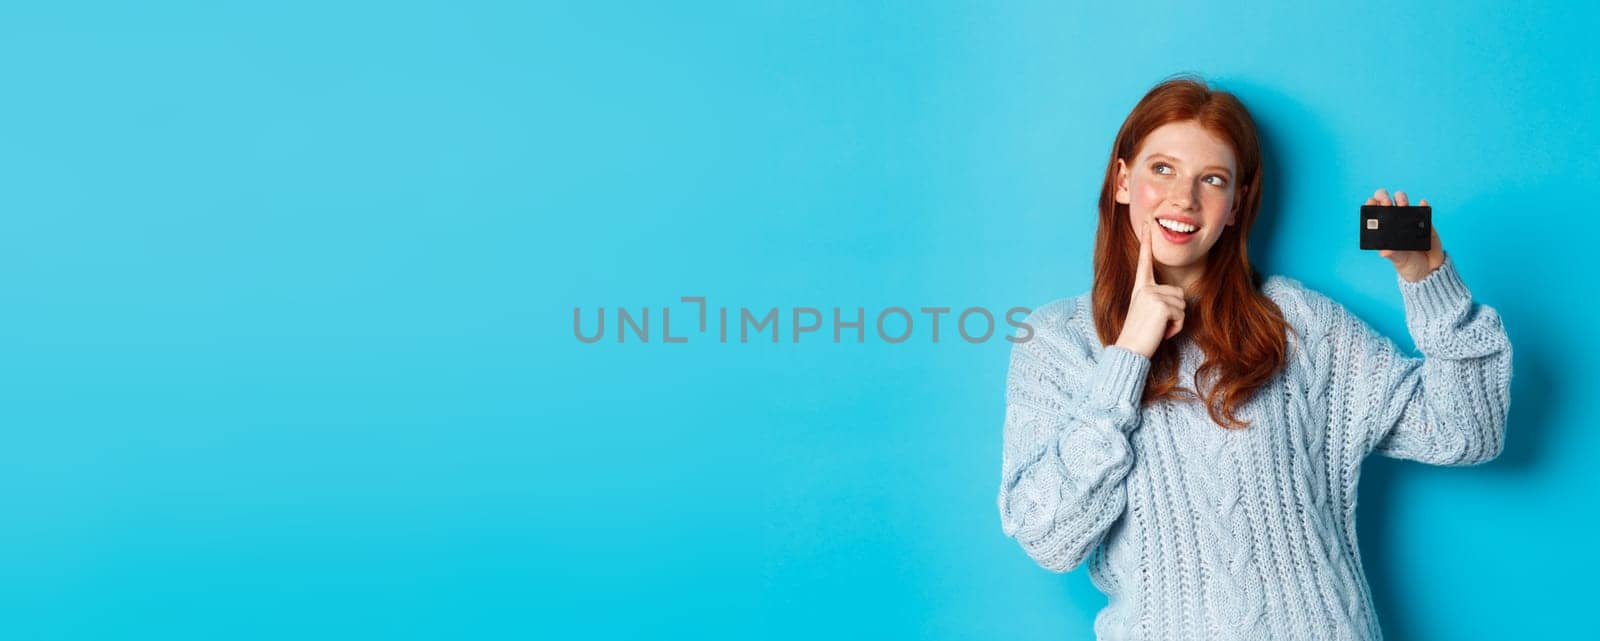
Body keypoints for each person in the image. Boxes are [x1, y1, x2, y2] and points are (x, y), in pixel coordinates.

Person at [995, 75, 1512, 641]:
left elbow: (1467, 432)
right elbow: (1048, 538)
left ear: (1236, 204)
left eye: (1211, 179)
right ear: (1123, 181)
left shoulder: (1300, 322)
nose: (1183, 199)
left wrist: (1426, 278)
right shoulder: (1055, 341)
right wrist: (1128, 359)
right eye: (1162, 169)